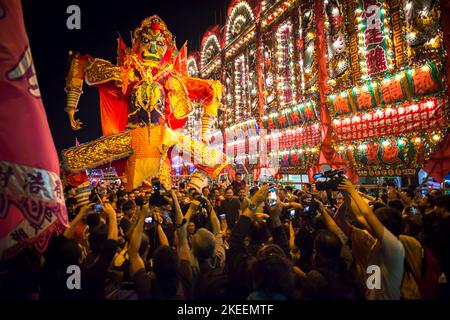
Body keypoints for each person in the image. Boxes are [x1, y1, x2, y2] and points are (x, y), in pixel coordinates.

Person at [339, 179, 405, 300]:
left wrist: (351, 190)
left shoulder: (394, 245)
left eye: (376, 220)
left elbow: (366, 214)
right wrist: (345, 192)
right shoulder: (379, 242)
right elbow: (359, 216)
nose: (372, 223)